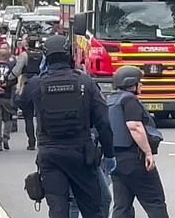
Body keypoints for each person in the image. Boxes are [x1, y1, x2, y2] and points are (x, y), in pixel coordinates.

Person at [20, 35, 116, 218]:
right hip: (81, 154)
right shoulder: (85, 82)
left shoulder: (37, 83)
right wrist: (110, 155)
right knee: (92, 208)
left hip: (50, 154)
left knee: (58, 208)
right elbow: (103, 122)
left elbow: (21, 102)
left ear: (45, 57)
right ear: (70, 54)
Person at [108, 66, 169, 218]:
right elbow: (135, 127)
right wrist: (148, 153)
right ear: (131, 84)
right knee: (155, 202)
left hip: (116, 160)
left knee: (122, 206)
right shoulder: (129, 100)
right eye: (139, 82)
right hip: (135, 158)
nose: (141, 85)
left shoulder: (110, 101)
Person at [8, 34, 43, 150]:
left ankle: (31, 141)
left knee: (28, 116)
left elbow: (17, 71)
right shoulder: (42, 55)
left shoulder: (24, 55)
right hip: (41, 83)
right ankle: (41, 140)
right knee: (40, 116)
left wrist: (8, 78)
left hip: (26, 84)